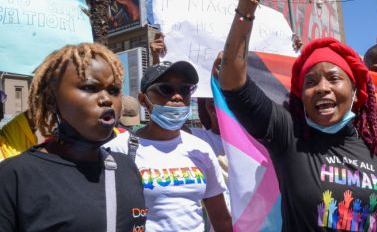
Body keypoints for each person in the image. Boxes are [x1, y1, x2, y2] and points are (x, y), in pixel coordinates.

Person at [218, 0, 377, 231]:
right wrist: (248, 3)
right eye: (311, 82)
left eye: (333, 78)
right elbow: (233, 83)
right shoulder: (289, 134)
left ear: (355, 92)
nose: (321, 88)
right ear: (301, 95)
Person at [0, 43, 147, 231]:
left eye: (114, 90)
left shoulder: (127, 168)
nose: (106, 99)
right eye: (89, 88)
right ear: (52, 100)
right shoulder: (15, 176)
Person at [105, 60, 231, 232]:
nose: (177, 96)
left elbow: (221, 219)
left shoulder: (201, 149)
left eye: (185, 89)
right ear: (143, 99)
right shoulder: (118, 149)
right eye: (166, 89)